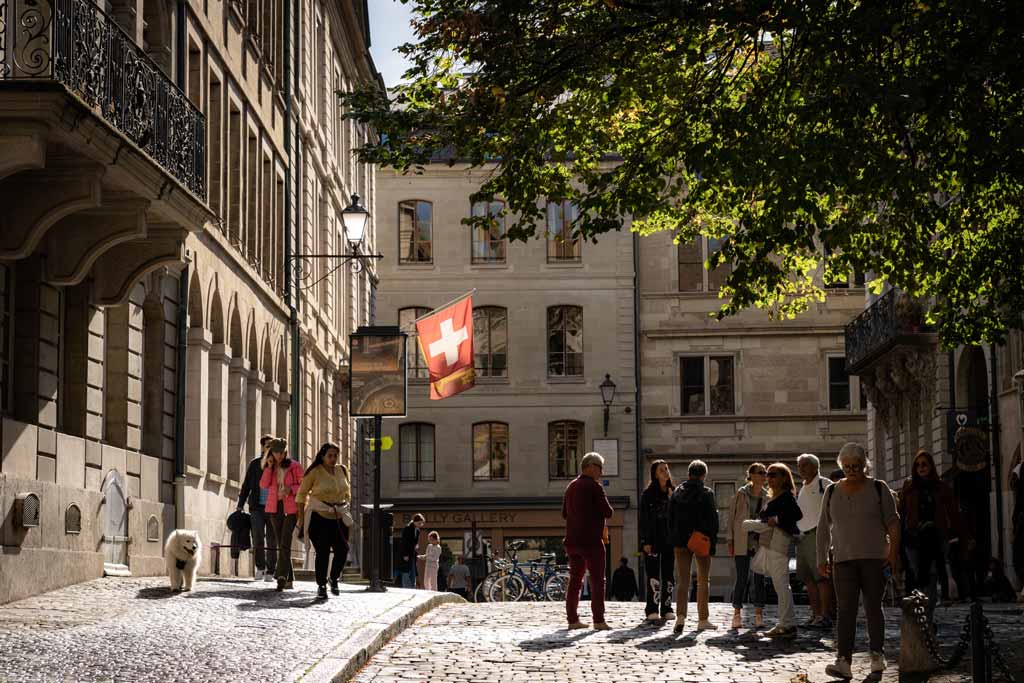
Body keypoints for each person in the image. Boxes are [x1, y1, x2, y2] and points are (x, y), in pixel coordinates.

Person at [818, 442, 901, 679]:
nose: (851, 470)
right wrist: (821, 558)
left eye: (856, 466)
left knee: (874, 607)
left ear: (864, 465)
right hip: (843, 559)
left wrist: (893, 554)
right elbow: (823, 527)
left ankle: (877, 655)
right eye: (847, 466)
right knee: (845, 611)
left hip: (875, 558)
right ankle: (843, 660)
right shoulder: (832, 490)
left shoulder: (878, 488)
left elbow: (893, 522)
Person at [899, 449, 963, 612]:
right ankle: (922, 615)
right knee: (919, 575)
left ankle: (927, 615)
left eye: (924, 464)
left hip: (936, 537)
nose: (921, 468)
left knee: (932, 575)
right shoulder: (909, 487)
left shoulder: (941, 487)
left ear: (931, 466)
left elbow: (953, 512)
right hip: (914, 538)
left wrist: (961, 534)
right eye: (918, 465)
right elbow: (902, 512)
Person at [562, 451, 615, 630]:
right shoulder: (594, 487)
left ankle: (573, 620)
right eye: (599, 468)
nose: (601, 472)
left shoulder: (571, 486)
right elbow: (608, 512)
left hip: (572, 541)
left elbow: (564, 513)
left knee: (575, 581)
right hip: (591, 541)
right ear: (591, 467)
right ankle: (598, 620)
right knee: (598, 580)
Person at [748, 463, 802, 639]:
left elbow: (796, 514)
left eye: (773, 475)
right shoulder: (773, 497)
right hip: (770, 543)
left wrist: (776, 519)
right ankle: (786, 623)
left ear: (784, 478)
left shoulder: (786, 496)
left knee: (781, 585)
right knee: (780, 585)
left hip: (779, 543)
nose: (769, 478)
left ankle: (787, 624)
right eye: (767, 475)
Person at [295, 442, 351, 600]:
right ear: (323, 456)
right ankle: (321, 586)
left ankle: (333, 578)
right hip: (319, 517)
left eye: (335, 456)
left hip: (339, 516)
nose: (333, 459)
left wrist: (345, 507)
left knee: (343, 549)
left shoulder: (342, 470)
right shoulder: (315, 472)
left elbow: (347, 492)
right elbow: (301, 494)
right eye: (330, 456)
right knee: (323, 552)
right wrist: (300, 517)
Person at [669, 459, 719, 634]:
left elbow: (671, 519)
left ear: (689, 474)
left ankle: (680, 616)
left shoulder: (676, 493)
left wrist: (674, 537)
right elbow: (713, 520)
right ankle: (703, 619)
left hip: (680, 541)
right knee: (703, 580)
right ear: (704, 475)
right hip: (701, 539)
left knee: (683, 581)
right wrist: (712, 541)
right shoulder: (707, 493)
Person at [259, 438, 303, 591]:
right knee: (281, 544)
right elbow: (263, 485)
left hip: (290, 509)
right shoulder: (269, 466)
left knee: (285, 542)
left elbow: (303, 486)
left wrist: (290, 490)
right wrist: (269, 467)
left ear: (285, 452)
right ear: (272, 452)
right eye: (276, 452)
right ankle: (289, 577)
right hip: (274, 508)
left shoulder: (295, 466)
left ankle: (281, 578)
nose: (279, 456)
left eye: (281, 453)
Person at [728, 462, 767, 630]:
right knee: (742, 578)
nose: (764, 475)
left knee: (759, 579)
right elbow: (732, 517)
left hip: (760, 542)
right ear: (751, 475)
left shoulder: (767, 495)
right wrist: (730, 540)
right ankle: (737, 614)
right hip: (742, 540)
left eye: (765, 472)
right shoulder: (741, 493)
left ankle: (758, 614)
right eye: (761, 472)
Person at [795, 454, 831, 628]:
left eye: (805, 465)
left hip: (817, 535)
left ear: (815, 467)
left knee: (821, 578)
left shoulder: (825, 484)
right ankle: (815, 614)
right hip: (802, 537)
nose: (801, 468)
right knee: (808, 578)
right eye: (799, 465)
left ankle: (825, 615)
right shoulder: (802, 488)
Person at [237, 434, 277, 582]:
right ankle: (260, 567)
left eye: (272, 446)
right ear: (262, 447)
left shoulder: (279, 464)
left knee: (273, 540)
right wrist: (240, 504)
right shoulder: (255, 464)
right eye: (267, 446)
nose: (270, 449)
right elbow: (246, 485)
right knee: (258, 537)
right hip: (257, 508)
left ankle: (271, 570)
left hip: (274, 508)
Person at [639, 459, 675, 620]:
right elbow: (643, 519)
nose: (666, 472)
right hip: (652, 540)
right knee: (653, 576)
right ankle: (652, 609)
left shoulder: (673, 492)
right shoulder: (648, 495)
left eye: (666, 469)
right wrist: (645, 541)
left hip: (669, 540)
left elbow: (678, 516)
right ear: (654, 474)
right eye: (661, 470)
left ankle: (667, 608)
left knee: (668, 575)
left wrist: (673, 499)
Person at [398, 514, 425, 588]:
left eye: (421, 523)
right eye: (419, 523)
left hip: (412, 554)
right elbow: (404, 542)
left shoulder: (418, 530)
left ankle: (412, 587)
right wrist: (405, 554)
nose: (421, 524)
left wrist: (416, 546)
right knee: (406, 571)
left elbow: (414, 542)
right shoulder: (407, 528)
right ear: (415, 522)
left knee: (413, 571)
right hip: (407, 553)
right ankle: (406, 587)